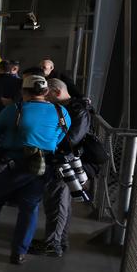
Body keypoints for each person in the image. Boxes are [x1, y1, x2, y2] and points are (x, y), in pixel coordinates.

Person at [0, 74, 70, 265]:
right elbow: (59, 137)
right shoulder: (61, 112)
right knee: (29, 209)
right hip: (41, 168)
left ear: (23, 91)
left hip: (11, 166)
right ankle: (18, 253)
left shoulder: (15, 109)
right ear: (45, 91)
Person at [34, 78, 93, 257]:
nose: (45, 98)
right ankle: (58, 240)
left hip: (63, 162)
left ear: (57, 92)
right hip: (62, 160)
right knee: (61, 203)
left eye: (48, 94)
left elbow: (71, 139)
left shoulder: (76, 110)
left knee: (58, 202)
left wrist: (48, 143)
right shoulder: (72, 108)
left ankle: (53, 244)